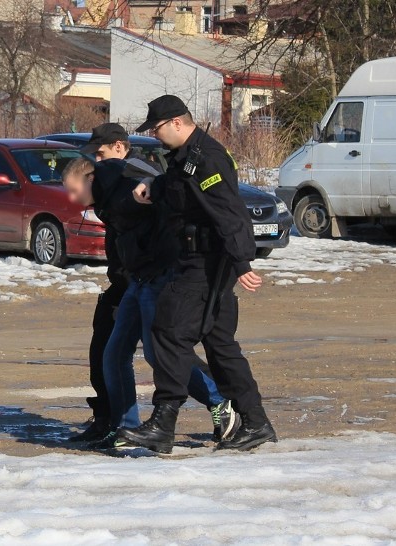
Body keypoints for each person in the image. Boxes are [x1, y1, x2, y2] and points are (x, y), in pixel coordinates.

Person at [118, 95, 277, 453]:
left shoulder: (207, 158)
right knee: (221, 347)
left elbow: (229, 212)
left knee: (168, 332)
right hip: (199, 259)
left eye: (157, 129)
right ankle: (256, 423)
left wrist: (242, 263)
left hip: (205, 263)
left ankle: (163, 424)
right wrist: (154, 188)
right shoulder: (185, 157)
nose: (155, 136)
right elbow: (179, 189)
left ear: (176, 122)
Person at [62, 156, 239, 449]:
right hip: (138, 279)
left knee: (160, 354)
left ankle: (220, 402)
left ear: (89, 178)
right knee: (114, 354)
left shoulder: (128, 188)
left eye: (73, 189)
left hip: (160, 276)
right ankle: (125, 428)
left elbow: (164, 222)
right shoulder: (106, 197)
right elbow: (124, 245)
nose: (70, 198)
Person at [67, 123, 149, 442]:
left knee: (171, 356)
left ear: (118, 146)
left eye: (100, 154)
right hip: (124, 280)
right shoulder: (111, 181)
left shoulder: (138, 173)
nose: (96, 162)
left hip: (147, 280)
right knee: (103, 349)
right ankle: (109, 419)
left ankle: (220, 405)